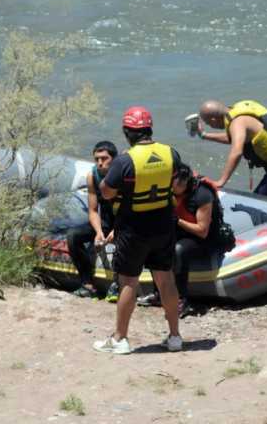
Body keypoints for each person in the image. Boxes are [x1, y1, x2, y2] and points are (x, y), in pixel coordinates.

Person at [93, 106, 183, 354]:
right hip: (164, 224)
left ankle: (120, 339)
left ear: (127, 132)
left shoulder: (125, 160)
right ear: (149, 129)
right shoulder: (170, 153)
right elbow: (177, 184)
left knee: (128, 281)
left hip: (134, 227)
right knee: (166, 279)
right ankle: (175, 337)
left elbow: (107, 192)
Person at [137, 163, 225, 318]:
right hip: (179, 231)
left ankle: (182, 300)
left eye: (173, 185)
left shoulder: (202, 194)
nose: (169, 188)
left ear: (184, 182)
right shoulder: (167, 191)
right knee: (153, 244)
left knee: (179, 250)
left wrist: (177, 221)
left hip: (202, 239)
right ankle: (159, 293)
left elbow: (202, 231)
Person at [188, 100, 267, 202]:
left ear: (213, 119)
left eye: (208, 123)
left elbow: (236, 152)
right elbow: (235, 138)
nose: (210, 126)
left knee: (260, 201)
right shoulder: (236, 112)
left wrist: (221, 181)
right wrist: (204, 135)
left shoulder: (237, 123)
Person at [66, 141, 121, 301]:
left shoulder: (124, 176)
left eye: (104, 158)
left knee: (119, 248)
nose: (99, 163)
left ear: (114, 159)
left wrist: (116, 231)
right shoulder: (92, 176)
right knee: (73, 236)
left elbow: (131, 210)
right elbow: (92, 210)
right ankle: (88, 284)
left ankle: (117, 286)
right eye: (96, 159)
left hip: (125, 222)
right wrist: (98, 232)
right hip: (104, 222)